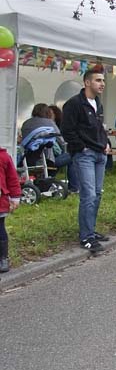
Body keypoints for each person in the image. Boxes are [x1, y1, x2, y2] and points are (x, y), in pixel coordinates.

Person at [61, 69, 111, 253]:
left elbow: (99, 127)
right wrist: (81, 147)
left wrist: (105, 143)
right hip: (85, 155)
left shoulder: (98, 103)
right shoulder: (74, 104)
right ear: (87, 82)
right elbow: (67, 130)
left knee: (97, 194)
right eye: (98, 80)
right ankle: (86, 236)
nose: (102, 83)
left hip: (100, 153)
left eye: (103, 80)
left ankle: (91, 229)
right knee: (88, 195)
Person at [19, 103, 78, 191]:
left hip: (28, 160)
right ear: (48, 113)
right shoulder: (49, 123)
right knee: (74, 155)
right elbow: (61, 141)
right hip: (48, 161)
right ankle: (74, 188)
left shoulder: (26, 123)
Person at [0, 144, 21, 272]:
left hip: (0, 201)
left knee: (0, 230)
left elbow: (12, 178)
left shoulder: (3, 157)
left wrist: (15, 197)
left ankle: (3, 257)